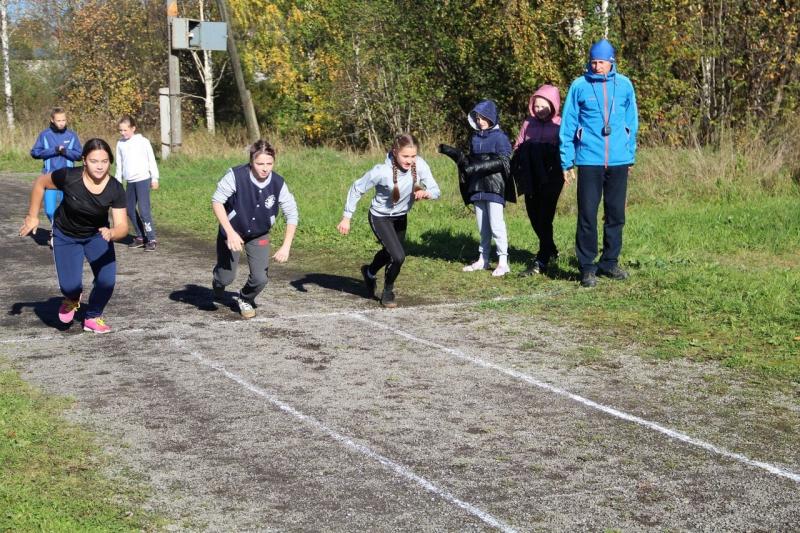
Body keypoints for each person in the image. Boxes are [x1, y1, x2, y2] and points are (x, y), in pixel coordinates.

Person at [19, 138, 128, 333]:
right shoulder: (69, 176)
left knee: (107, 281)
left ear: (110, 162)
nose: (100, 166)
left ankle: (93, 316)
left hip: (97, 235)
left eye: (104, 161)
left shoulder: (115, 188)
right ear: (84, 160)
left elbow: (122, 227)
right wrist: (32, 216)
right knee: (70, 287)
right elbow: (40, 183)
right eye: (94, 161)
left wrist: (112, 232)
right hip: (66, 235)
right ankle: (71, 299)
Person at [560, 38, 639, 288]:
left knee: (615, 213)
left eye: (601, 62)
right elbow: (568, 124)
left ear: (611, 62)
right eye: (593, 62)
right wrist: (566, 161)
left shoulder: (625, 85)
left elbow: (632, 121)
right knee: (587, 214)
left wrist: (630, 154)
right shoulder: (579, 86)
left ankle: (610, 262)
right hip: (589, 160)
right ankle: (587, 267)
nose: (596, 67)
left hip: (618, 160)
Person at [337, 133, 440, 308]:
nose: (409, 161)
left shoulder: (420, 165)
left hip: (401, 217)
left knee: (390, 252)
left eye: (413, 156)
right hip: (380, 217)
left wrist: (427, 193)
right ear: (394, 152)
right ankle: (388, 291)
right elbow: (356, 188)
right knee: (398, 256)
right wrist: (347, 217)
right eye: (405, 156)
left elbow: (436, 190)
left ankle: (369, 272)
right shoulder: (381, 171)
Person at [211, 140, 298, 319]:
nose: (265, 168)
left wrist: (286, 246)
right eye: (260, 164)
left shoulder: (278, 183)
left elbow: (292, 214)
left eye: (269, 164)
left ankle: (245, 298)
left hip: (259, 234)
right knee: (225, 278)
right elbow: (217, 201)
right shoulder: (235, 176)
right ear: (251, 162)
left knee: (260, 278)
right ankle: (218, 279)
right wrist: (230, 232)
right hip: (232, 231)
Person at [439, 99, 515, 276]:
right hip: (477, 187)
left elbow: (505, 162)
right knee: (482, 226)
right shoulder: (474, 138)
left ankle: (503, 261)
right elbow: (470, 163)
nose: (480, 121)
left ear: (492, 118)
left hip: (495, 186)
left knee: (496, 225)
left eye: (483, 118)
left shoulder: (500, 137)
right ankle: (484, 259)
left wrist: (478, 167)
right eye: (477, 118)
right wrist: (452, 152)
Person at [512, 84, 564, 276]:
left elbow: (565, 147)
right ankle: (550, 248)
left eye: (544, 106)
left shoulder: (560, 124)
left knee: (545, 214)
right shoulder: (528, 123)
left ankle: (543, 255)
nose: (539, 110)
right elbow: (518, 145)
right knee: (533, 214)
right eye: (537, 106)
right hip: (530, 175)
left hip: (552, 176)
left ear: (554, 105)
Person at [30, 107, 83, 245]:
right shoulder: (45, 135)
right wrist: (53, 150)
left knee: (70, 209)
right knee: (49, 210)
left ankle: (64, 235)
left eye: (64, 120)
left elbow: (79, 155)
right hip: (50, 179)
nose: (61, 123)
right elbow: (35, 153)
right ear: (52, 120)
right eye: (58, 120)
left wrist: (65, 151)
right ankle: (56, 232)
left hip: (68, 179)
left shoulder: (71, 135)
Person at [114, 115, 160, 251]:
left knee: (144, 210)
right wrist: (118, 182)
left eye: (125, 130)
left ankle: (151, 238)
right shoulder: (120, 144)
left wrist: (155, 178)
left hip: (143, 180)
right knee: (128, 209)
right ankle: (140, 236)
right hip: (130, 182)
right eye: (120, 130)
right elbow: (119, 164)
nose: (123, 133)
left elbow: (151, 160)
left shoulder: (143, 142)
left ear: (133, 128)